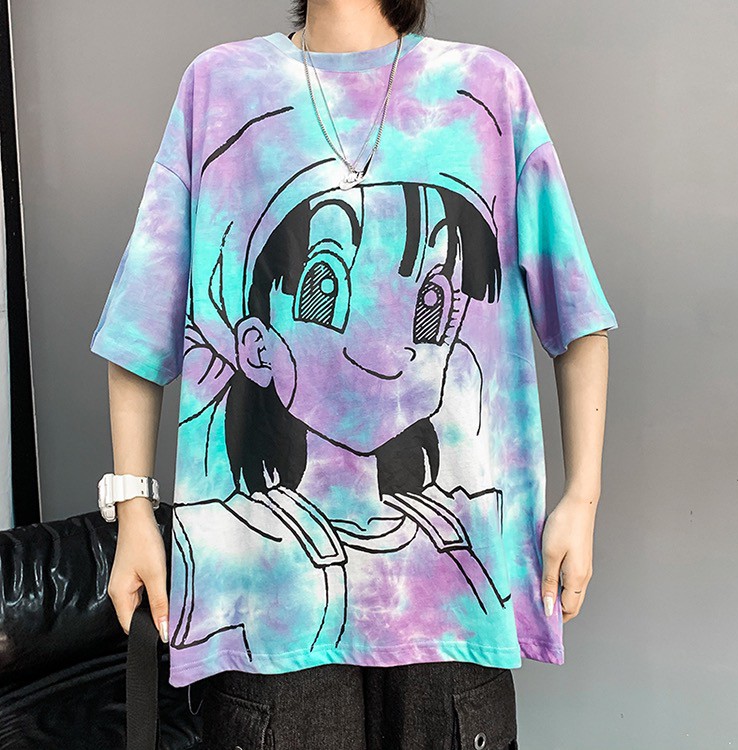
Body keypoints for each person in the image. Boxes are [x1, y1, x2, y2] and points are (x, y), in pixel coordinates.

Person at [90, 0, 617, 747]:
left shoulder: (487, 91)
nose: (391, 342)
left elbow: (579, 313)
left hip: (448, 628)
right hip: (266, 611)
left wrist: (583, 500)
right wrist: (134, 512)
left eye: (431, 302)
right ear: (255, 344)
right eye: (326, 288)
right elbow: (140, 324)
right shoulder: (220, 86)